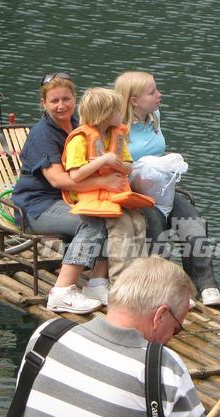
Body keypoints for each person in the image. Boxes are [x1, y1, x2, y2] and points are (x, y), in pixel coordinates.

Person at [9, 256, 220, 417]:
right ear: (160, 315)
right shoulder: (163, 368)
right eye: (176, 328)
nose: (171, 337)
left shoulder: (46, 337)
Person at [11, 72, 127, 314]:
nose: (61, 105)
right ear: (43, 104)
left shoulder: (81, 127)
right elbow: (58, 180)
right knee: (90, 221)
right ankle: (62, 292)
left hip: (73, 198)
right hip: (38, 206)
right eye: (54, 101)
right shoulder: (42, 134)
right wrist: (105, 182)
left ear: (75, 99)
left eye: (66, 99)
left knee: (112, 215)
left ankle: (96, 283)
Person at [114, 70, 220, 308]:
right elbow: (115, 167)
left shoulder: (154, 116)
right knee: (155, 224)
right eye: (152, 92)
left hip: (162, 189)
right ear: (133, 100)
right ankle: (163, 288)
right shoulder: (118, 129)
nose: (159, 95)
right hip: (133, 193)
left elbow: (155, 153)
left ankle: (205, 285)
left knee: (192, 221)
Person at [62, 87, 153, 283]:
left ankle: (140, 277)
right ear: (104, 115)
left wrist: (119, 164)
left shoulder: (115, 136)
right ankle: (119, 282)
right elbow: (76, 175)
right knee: (121, 228)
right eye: (118, 111)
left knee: (138, 223)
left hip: (115, 193)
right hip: (94, 197)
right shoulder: (79, 140)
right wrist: (103, 161)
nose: (123, 115)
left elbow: (129, 166)